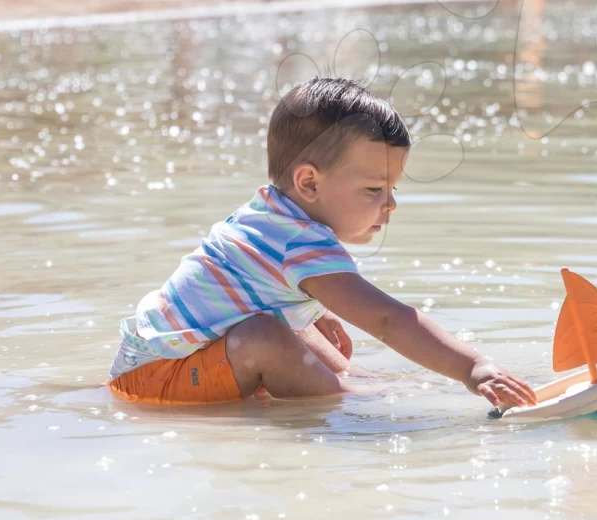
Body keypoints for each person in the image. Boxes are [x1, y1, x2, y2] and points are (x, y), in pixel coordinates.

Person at [106, 77, 537, 407]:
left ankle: (359, 382)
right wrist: (472, 367)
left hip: (152, 361)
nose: (390, 205)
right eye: (375, 189)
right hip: (157, 380)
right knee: (266, 336)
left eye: (393, 189)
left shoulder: (271, 213)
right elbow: (388, 320)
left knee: (298, 329)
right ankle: (348, 401)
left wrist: (317, 310)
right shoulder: (301, 241)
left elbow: (257, 283)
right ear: (309, 183)